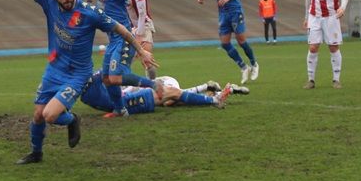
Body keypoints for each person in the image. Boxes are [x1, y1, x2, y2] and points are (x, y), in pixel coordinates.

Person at [14, 0, 156, 165]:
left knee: (50, 115)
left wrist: (140, 50)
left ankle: (72, 120)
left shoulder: (89, 13)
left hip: (77, 74)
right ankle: (36, 153)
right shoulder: (48, 1)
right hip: (54, 69)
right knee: (38, 114)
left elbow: (120, 28)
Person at [69, 0, 155, 118]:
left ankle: (153, 85)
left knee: (115, 77)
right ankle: (119, 109)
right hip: (113, 41)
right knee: (107, 79)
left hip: (124, 39)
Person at [196, 0, 258, 84]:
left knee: (241, 41)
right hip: (223, 13)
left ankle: (254, 64)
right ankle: (243, 67)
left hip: (235, 11)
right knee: (224, 43)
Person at [79, 72, 241, 115]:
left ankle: (211, 97)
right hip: (128, 101)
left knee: (171, 97)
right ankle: (214, 98)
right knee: (170, 94)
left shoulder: (84, 91)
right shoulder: (92, 80)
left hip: (126, 99)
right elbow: (115, 78)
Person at [303, 0, 347, 89]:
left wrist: (342, 8)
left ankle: (336, 80)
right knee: (313, 47)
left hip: (331, 16)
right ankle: (311, 80)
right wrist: (306, 16)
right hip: (314, 16)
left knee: (333, 47)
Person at [110, 0, 156, 79]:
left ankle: (153, 85)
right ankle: (121, 85)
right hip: (130, 27)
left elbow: (142, 13)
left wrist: (139, 35)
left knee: (147, 61)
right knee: (123, 59)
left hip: (144, 25)